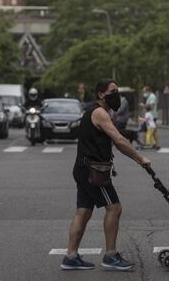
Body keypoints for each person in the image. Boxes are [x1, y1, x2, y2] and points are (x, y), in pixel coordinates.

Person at [61, 79, 151, 271]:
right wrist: (140, 158)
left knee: (83, 212)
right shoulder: (99, 113)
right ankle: (110, 256)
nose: (117, 95)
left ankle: (70, 256)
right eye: (113, 91)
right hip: (93, 172)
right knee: (114, 208)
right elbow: (118, 140)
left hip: (84, 168)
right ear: (101, 94)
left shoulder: (100, 111)